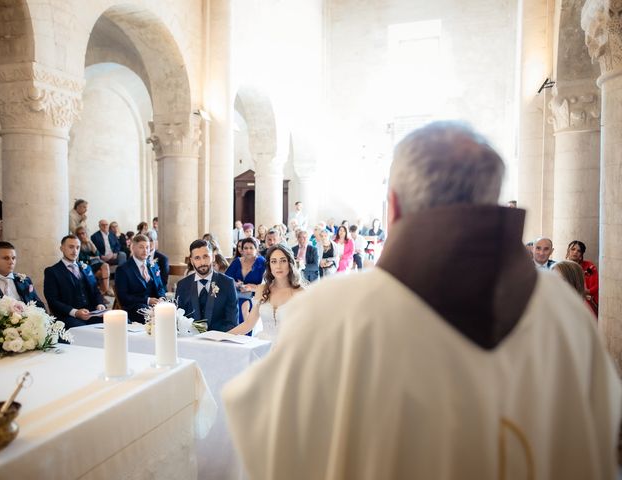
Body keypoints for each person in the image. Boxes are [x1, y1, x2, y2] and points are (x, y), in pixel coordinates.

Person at [223, 121, 621, 480]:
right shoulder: (564, 312)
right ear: (494, 202)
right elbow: (599, 439)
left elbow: (266, 440)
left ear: (393, 206)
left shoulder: (331, 312)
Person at [228, 245, 304, 341]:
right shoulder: (262, 289)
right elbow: (248, 325)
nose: (278, 266)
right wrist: (223, 337)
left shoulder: (300, 292)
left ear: (290, 263)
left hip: (289, 347)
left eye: (283, 261)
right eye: (274, 261)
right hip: (263, 345)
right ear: (269, 265)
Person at [43, 235, 106, 329]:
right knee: (83, 331)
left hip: (91, 313)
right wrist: (75, 312)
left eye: (77, 247)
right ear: (62, 248)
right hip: (68, 317)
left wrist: (100, 304)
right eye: (71, 247)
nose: (75, 251)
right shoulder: (52, 271)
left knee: (118, 321)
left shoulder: (86, 268)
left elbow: (95, 290)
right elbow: (52, 300)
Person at [175, 239, 238, 332]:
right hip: (190, 341)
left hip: (219, 341)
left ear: (213, 257)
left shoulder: (227, 284)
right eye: (197, 258)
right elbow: (179, 319)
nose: (202, 262)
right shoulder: (182, 285)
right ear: (191, 261)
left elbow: (232, 323)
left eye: (206, 256)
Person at [114, 234, 166, 323]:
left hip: (155, 306)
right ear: (133, 248)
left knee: (172, 311)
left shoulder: (153, 266)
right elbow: (123, 297)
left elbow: (160, 287)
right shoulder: (123, 269)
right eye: (141, 247)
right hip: (135, 308)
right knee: (155, 317)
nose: (145, 251)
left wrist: (162, 298)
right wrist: (147, 300)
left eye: (147, 247)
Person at [0, 241, 45, 308]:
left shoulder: (25, 281)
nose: (11, 262)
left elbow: (39, 305)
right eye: (6, 258)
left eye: (13, 258)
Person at [226, 237, 267, 326]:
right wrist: (237, 284)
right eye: (245, 248)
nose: (248, 251)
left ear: (256, 249)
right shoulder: (237, 262)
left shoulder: (262, 262)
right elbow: (226, 279)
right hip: (236, 294)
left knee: (244, 306)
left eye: (251, 248)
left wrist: (251, 287)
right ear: (242, 250)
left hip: (254, 295)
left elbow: (267, 284)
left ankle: (246, 334)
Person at [75, 226, 112, 296]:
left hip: (94, 263)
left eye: (83, 233)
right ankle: (104, 292)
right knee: (100, 273)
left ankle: (104, 291)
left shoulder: (89, 242)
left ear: (86, 234)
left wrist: (90, 243)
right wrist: (91, 257)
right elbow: (81, 258)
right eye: (79, 234)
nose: (81, 235)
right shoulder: (77, 244)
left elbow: (97, 254)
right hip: (85, 265)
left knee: (105, 266)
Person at [566, 240, 598, 314]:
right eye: (573, 249)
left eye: (579, 251)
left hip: (585, 301)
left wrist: (585, 291)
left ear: (581, 254)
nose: (575, 252)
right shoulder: (561, 267)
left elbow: (596, 286)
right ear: (568, 251)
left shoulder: (589, 266)